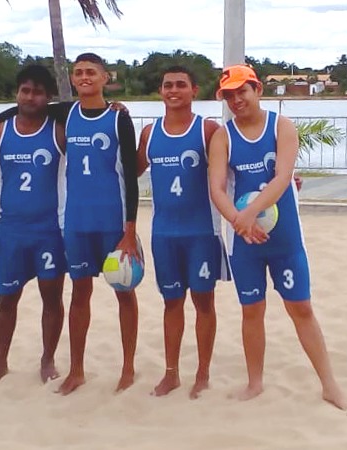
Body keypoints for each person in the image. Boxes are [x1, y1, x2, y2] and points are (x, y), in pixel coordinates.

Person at [0, 53, 140, 394]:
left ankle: (122, 368)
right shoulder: (60, 115)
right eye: (78, 72)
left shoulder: (107, 118)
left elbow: (131, 175)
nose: (84, 77)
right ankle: (66, 369)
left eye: (90, 72)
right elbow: (26, 110)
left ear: (104, 77)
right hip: (64, 224)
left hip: (100, 223)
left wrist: (130, 228)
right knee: (64, 295)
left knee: (120, 293)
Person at [207, 64, 347, 409]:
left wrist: (251, 212)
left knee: (301, 307)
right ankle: (255, 382)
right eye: (229, 95)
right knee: (251, 310)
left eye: (242, 91)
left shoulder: (281, 127)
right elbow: (217, 189)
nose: (236, 99)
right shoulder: (223, 136)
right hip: (247, 240)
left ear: (257, 89)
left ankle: (330, 385)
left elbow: (283, 177)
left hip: (284, 237)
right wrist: (239, 222)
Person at [136, 66, 226, 399]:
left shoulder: (208, 130)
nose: (174, 90)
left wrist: (286, 179)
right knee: (171, 303)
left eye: (181, 85)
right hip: (164, 234)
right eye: (168, 85)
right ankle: (171, 373)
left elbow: (233, 170)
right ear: (160, 91)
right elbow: (126, 173)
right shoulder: (149, 133)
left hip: (201, 233)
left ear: (194, 91)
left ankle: (202, 373)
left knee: (204, 302)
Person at [0, 64, 67, 386]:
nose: (30, 97)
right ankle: (0, 363)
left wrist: (117, 109)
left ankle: (47, 359)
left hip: (49, 231)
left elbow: (85, 111)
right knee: (6, 299)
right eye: (25, 90)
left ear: (48, 97)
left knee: (52, 297)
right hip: (11, 229)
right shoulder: (0, 133)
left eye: (38, 91)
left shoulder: (58, 129)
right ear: (17, 94)